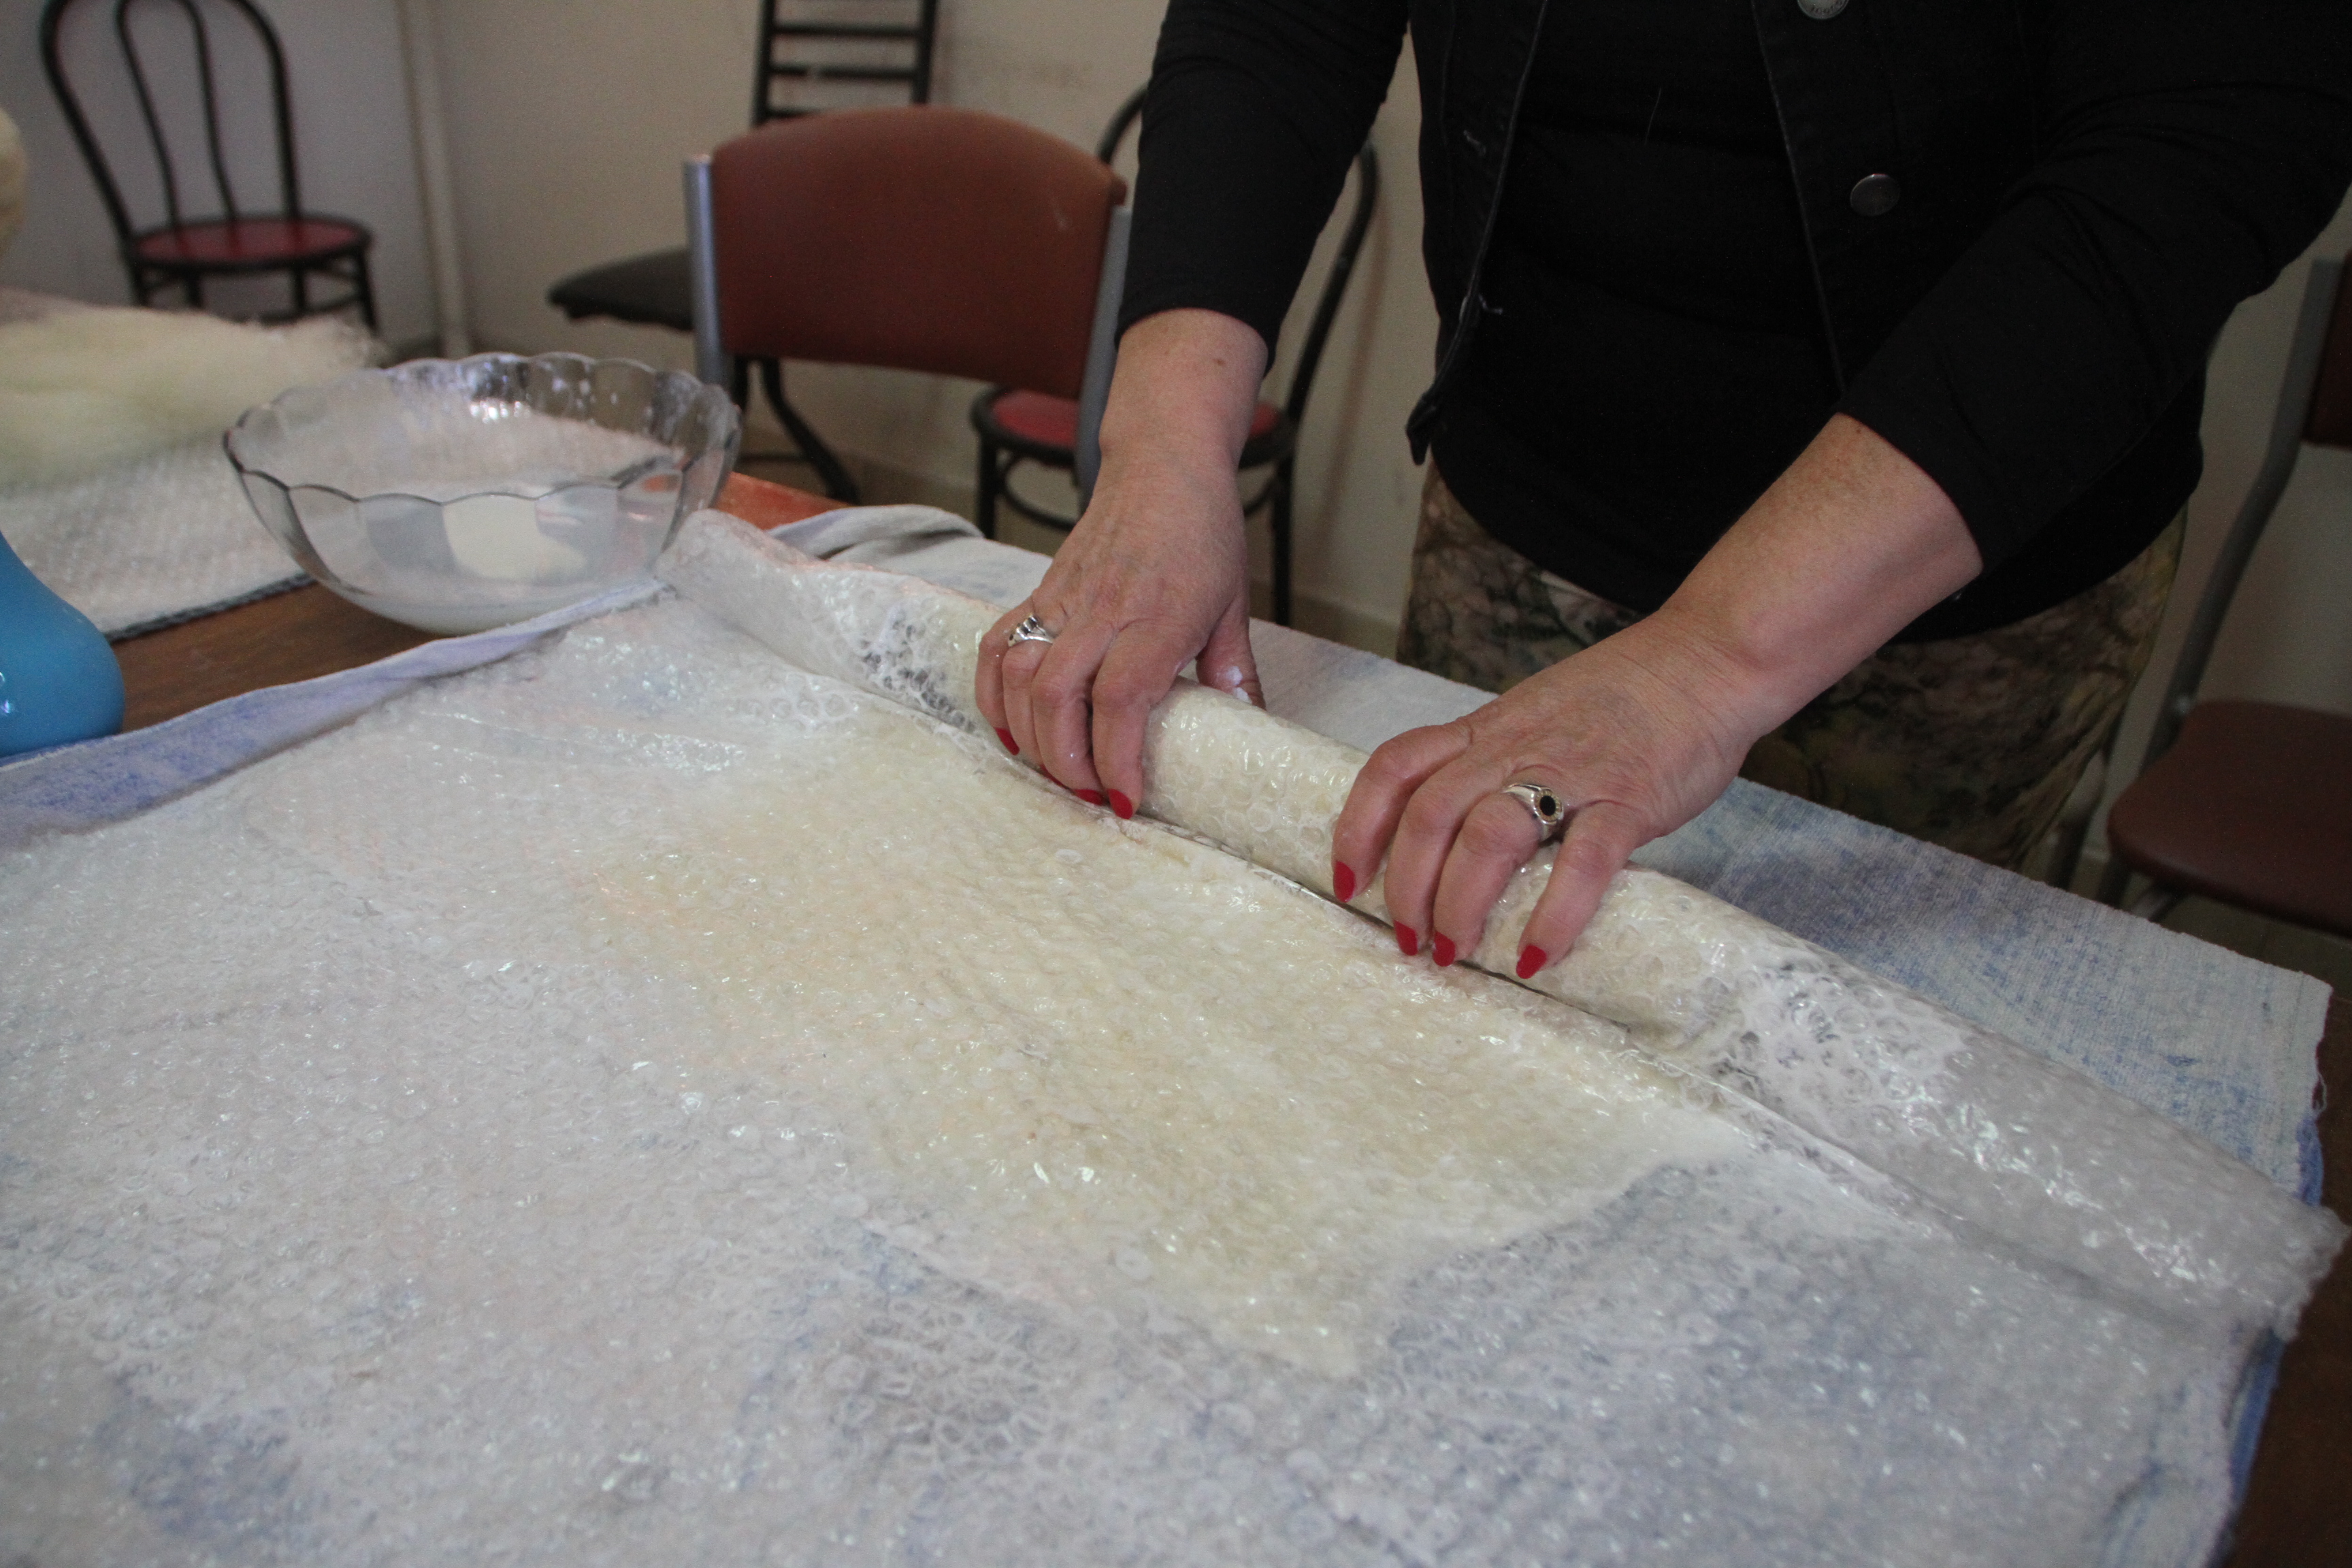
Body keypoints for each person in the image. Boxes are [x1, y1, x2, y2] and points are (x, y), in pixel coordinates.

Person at [977, 0, 2352, 980]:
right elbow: (1275, 26)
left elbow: (2200, 142)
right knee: (1452, 990)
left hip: (1960, 583)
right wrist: (1162, 453)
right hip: (1528, 501)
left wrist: (1709, 659)